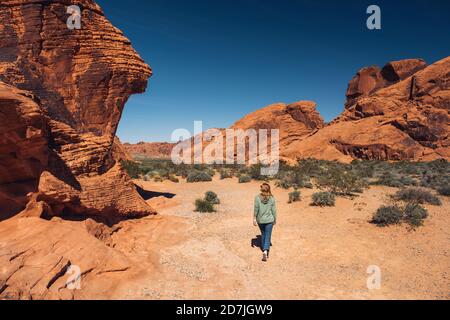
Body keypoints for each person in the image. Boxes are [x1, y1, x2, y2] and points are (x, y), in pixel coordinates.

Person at [253, 183, 277, 262]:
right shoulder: (272, 198)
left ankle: (264, 249)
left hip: (261, 220)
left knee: (263, 234)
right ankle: (266, 251)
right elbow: (274, 210)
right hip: (269, 220)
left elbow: (256, 209)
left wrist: (254, 218)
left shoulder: (257, 198)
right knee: (268, 235)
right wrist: (275, 219)